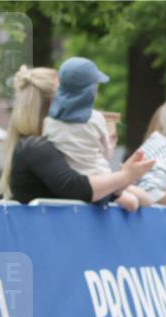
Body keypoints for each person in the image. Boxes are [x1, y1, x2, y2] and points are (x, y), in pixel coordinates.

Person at [0, 66, 155, 204]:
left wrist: (120, 178)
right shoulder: (35, 147)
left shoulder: (47, 148)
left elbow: (138, 199)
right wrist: (125, 175)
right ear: (53, 101)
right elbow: (77, 188)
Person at [40, 57, 147, 212]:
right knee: (140, 200)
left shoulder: (48, 121)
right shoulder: (96, 118)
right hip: (100, 179)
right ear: (90, 90)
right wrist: (111, 143)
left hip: (72, 181)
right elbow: (106, 154)